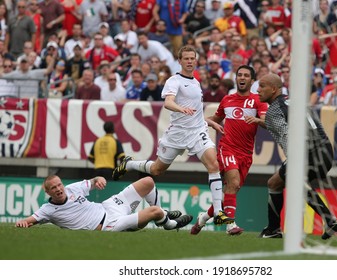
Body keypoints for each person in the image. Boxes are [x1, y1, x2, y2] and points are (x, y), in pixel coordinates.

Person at [112, 45, 234, 226]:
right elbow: (168, 103)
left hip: (197, 132)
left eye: (192, 58)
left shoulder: (196, 82)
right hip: (177, 134)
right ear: (180, 61)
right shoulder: (173, 81)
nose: (190, 61)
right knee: (156, 170)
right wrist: (181, 109)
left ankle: (218, 212)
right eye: (186, 58)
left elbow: (196, 112)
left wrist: (211, 122)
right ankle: (128, 164)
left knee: (213, 164)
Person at [256, 73, 337, 240]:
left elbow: (286, 134)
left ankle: (273, 229)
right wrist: (261, 122)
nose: (258, 90)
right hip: (325, 150)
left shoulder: (274, 110)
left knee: (277, 183)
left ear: (273, 89)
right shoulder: (293, 101)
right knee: (291, 184)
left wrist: (292, 160)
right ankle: (330, 221)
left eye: (262, 86)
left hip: (307, 153)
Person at [191, 65, 268, 236]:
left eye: (246, 75)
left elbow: (266, 122)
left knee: (230, 192)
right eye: (239, 75)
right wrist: (202, 121)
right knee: (232, 182)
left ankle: (203, 218)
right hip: (227, 148)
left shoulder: (258, 101)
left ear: (252, 80)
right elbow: (215, 119)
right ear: (236, 78)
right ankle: (230, 225)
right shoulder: (227, 100)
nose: (242, 78)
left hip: (246, 154)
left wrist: (256, 120)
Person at [15, 175, 193, 232]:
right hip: (108, 224)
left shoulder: (72, 189)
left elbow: (93, 181)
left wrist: (98, 179)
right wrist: (23, 222)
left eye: (59, 185)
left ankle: (163, 214)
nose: (59, 189)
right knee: (153, 211)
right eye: (53, 188)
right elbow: (29, 220)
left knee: (148, 181)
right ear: (47, 192)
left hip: (109, 207)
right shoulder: (48, 210)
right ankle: (170, 223)